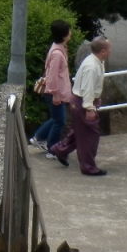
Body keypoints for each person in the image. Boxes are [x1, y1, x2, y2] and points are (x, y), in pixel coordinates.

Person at [51, 36, 111, 175]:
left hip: (80, 102)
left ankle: (60, 150)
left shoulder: (94, 61)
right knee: (90, 136)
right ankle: (88, 167)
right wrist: (90, 107)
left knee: (79, 131)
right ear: (103, 51)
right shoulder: (92, 66)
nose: (110, 51)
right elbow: (87, 88)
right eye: (109, 49)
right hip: (83, 103)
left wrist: (97, 98)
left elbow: (91, 87)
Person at [30, 20, 72, 155]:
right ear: (64, 35)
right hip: (55, 93)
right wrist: (55, 94)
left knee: (57, 119)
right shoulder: (57, 54)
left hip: (57, 93)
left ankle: (38, 137)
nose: (71, 33)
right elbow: (52, 76)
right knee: (60, 122)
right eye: (69, 31)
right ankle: (52, 149)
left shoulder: (59, 49)